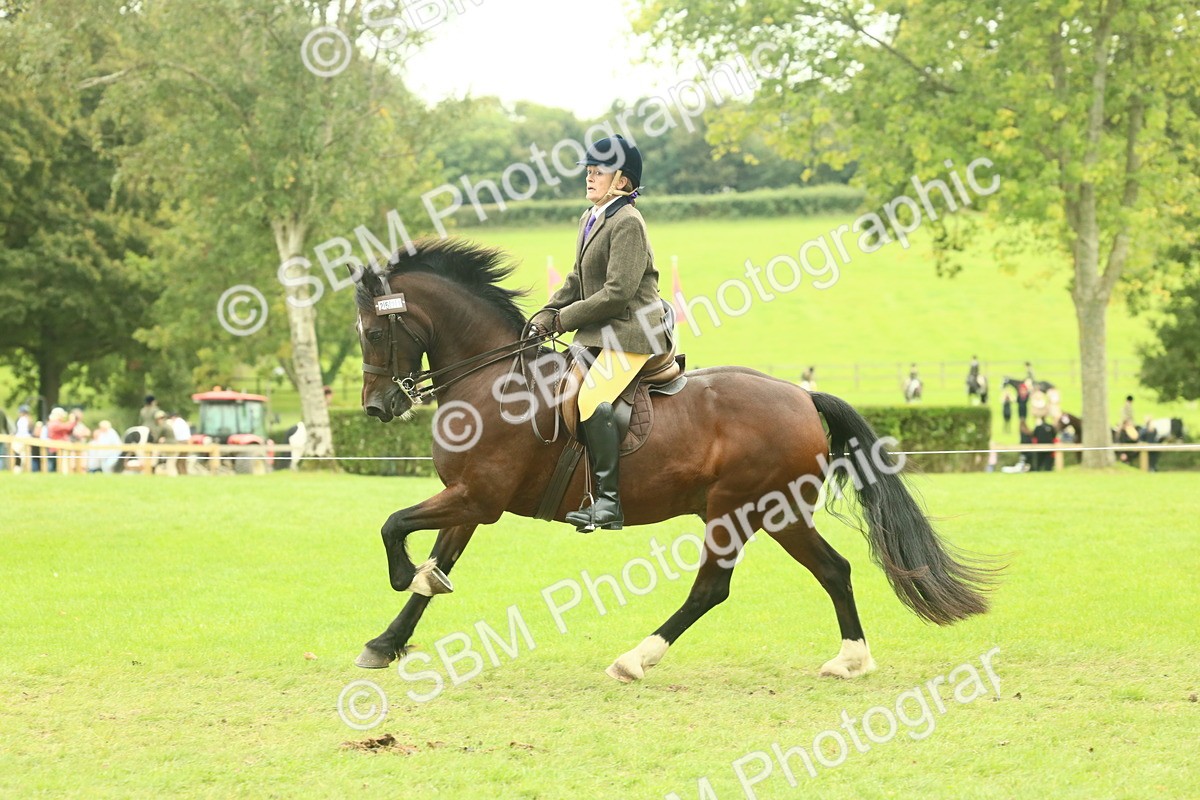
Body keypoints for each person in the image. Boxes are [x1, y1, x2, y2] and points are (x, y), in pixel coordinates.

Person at [530, 135, 667, 533]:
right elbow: (576, 279)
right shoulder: (590, 218)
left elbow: (617, 293)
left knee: (591, 397)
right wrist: (547, 311)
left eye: (599, 170)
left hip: (632, 332)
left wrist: (563, 320)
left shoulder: (628, 222)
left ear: (622, 181)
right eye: (588, 169)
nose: (590, 175)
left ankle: (608, 503)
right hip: (599, 334)